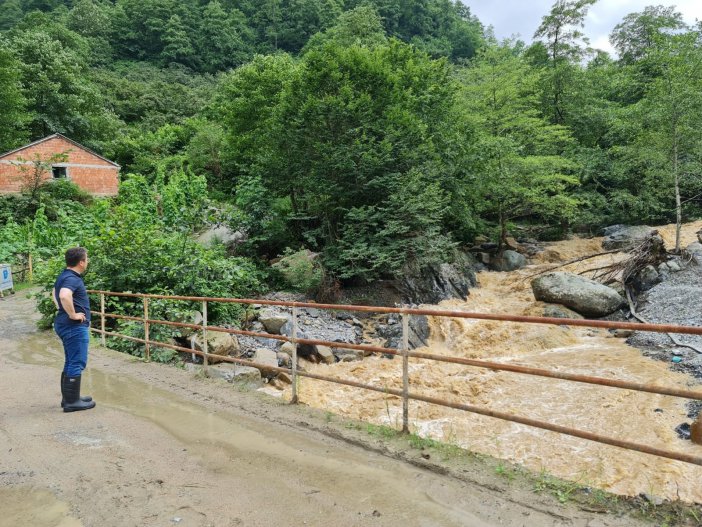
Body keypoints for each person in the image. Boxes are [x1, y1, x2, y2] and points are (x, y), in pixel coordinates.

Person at [53, 247, 95, 412]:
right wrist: (72, 314)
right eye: (87, 259)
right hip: (73, 326)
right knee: (76, 361)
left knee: (71, 360)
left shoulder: (64, 275)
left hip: (64, 324)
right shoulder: (73, 279)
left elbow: (54, 293)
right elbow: (63, 295)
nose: (88, 261)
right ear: (81, 262)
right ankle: (72, 402)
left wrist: (61, 310)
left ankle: (69, 398)